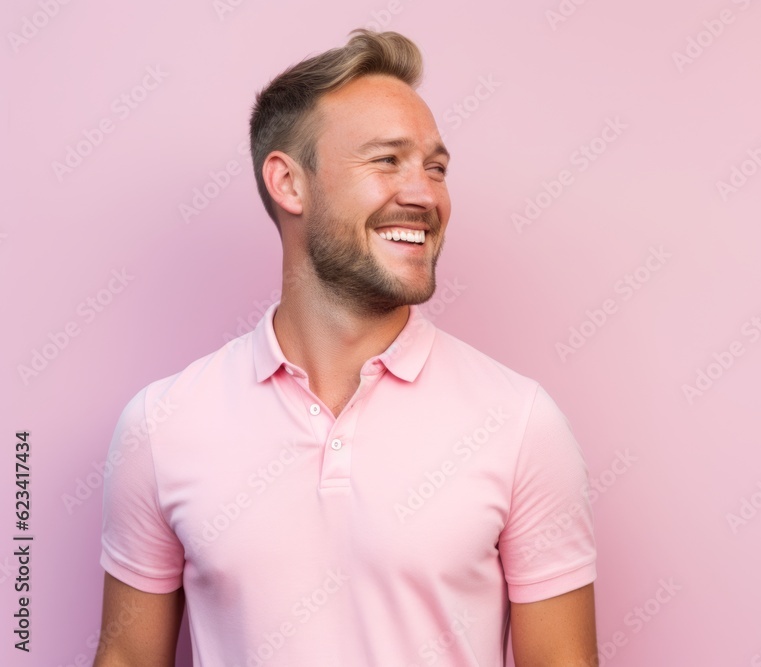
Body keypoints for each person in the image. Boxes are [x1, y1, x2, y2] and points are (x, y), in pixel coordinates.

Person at [94, 28, 597, 666]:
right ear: (289, 183)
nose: (424, 195)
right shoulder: (160, 426)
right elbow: (127, 660)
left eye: (435, 168)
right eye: (387, 161)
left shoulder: (523, 424)